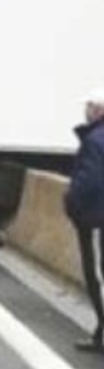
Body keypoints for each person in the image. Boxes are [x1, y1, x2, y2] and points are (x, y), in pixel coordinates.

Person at [66, 89, 104, 351]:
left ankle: (101, 331)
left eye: (91, 105)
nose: (86, 109)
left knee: (95, 273)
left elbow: (89, 180)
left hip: (94, 215)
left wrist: (71, 203)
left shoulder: (94, 140)